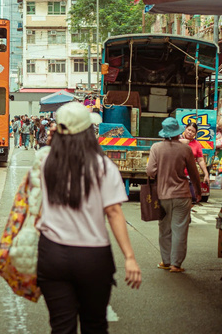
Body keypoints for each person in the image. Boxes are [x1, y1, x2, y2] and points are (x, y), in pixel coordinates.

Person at [37, 102, 141, 332]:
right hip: (93, 258)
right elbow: (114, 213)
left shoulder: (45, 162)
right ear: (88, 131)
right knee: (94, 325)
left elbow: (48, 151)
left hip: (51, 254)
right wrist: (129, 257)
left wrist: (53, 138)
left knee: (61, 327)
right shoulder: (103, 167)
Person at [146, 117, 202, 273]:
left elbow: (150, 171)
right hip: (182, 195)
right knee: (180, 229)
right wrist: (198, 191)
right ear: (178, 132)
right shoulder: (186, 150)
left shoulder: (156, 148)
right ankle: (175, 265)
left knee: (164, 229)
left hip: (162, 195)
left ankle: (166, 261)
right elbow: (194, 173)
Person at [179, 122, 210, 202]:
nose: (190, 132)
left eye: (193, 131)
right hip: (177, 176)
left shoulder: (197, 144)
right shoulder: (177, 140)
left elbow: (200, 160)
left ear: (195, 134)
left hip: (189, 176)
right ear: (185, 129)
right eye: (189, 130)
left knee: (192, 198)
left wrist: (206, 173)